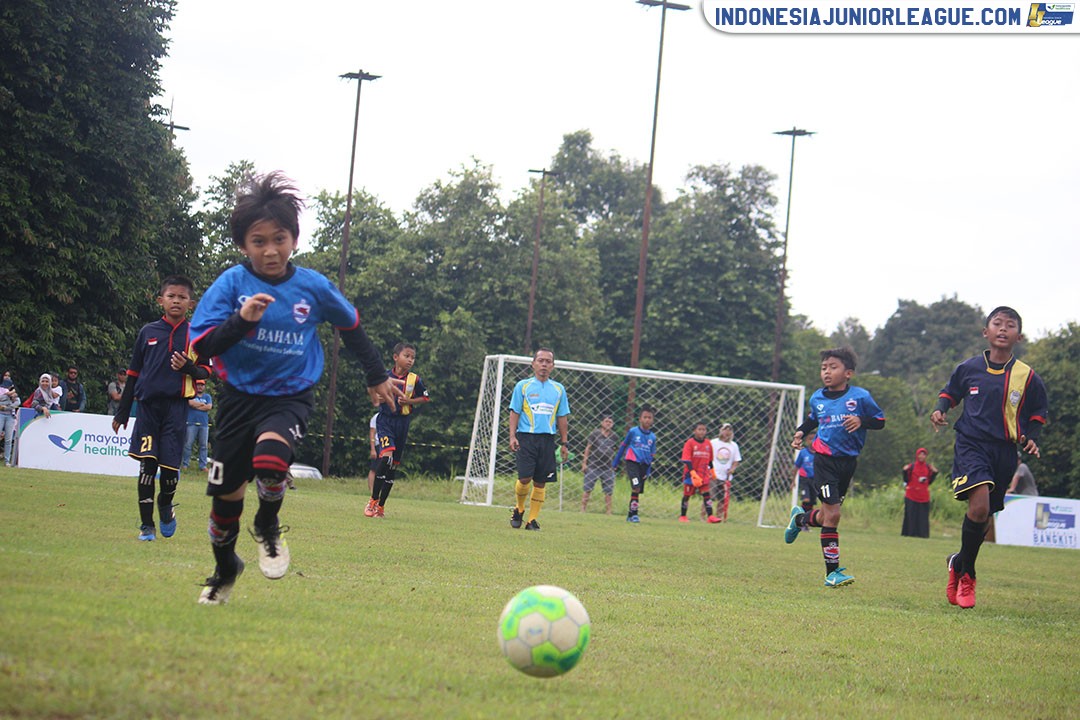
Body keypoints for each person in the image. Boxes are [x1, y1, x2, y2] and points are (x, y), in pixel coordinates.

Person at [189, 172, 400, 605]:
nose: (271, 250)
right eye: (259, 241)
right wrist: (241, 321)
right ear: (244, 246)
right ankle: (226, 566)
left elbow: (352, 325)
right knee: (226, 499)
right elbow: (202, 348)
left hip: (289, 395)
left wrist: (376, 374)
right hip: (238, 399)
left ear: (294, 239)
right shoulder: (231, 284)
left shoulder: (312, 287)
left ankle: (268, 524)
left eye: (279, 238)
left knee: (270, 460)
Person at [931, 306, 1048, 609]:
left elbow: (1037, 413)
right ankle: (968, 575)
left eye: (1010, 325)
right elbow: (950, 392)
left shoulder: (1027, 376)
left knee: (983, 517)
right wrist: (940, 409)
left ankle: (958, 561)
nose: (1002, 329)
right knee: (979, 504)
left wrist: (1032, 437)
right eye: (997, 323)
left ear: (1018, 336)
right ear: (986, 332)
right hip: (971, 444)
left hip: (1005, 451)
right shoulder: (968, 368)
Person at [112, 275, 210, 543]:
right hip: (147, 408)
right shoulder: (148, 332)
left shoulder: (196, 334)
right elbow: (133, 374)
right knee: (147, 465)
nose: (176, 301)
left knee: (169, 472)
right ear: (161, 300)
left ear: (191, 303)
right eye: (171, 296)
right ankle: (146, 526)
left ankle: (165, 506)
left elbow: (207, 371)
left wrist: (188, 368)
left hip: (177, 409)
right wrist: (122, 411)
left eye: (182, 297)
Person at [785, 347, 885, 588]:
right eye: (823, 368)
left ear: (848, 373)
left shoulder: (860, 397)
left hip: (848, 463)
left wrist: (862, 420)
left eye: (833, 367)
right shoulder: (817, 398)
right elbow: (813, 419)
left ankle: (800, 520)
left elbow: (880, 421)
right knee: (835, 515)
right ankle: (832, 573)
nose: (827, 372)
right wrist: (800, 431)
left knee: (826, 516)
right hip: (824, 461)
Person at [364, 342, 431, 518]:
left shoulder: (414, 379)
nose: (410, 360)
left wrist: (410, 402)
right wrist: (381, 397)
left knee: (393, 467)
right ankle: (372, 501)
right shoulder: (384, 376)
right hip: (385, 421)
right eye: (406, 356)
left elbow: (425, 398)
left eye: (413, 357)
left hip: (403, 423)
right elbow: (375, 394)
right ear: (396, 357)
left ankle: (381, 507)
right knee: (386, 458)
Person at [508, 348, 570, 531]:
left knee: (541, 481)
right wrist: (512, 435)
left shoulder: (559, 389)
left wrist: (565, 443)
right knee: (525, 477)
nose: (544, 364)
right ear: (533, 363)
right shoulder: (523, 386)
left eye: (548, 361)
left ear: (553, 365)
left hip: (547, 439)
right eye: (540, 360)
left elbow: (562, 416)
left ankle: (532, 520)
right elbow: (515, 411)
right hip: (526, 438)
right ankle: (519, 508)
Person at [612, 405, 657, 523]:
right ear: (640, 419)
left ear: (652, 420)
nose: (647, 420)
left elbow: (652, 455)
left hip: (644, 465)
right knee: (635, 486)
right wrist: (616, 462)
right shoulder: (633, 432)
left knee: (636, 490)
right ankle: (635, 515)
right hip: (632, 462)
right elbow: (623, 446)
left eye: (649, 417)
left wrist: (648, 471)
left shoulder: (652, 437)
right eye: (645, 417)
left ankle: (630, 515)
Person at [679, 422, 722, 523]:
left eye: (704, 429)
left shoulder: (708, 443)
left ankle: (710, 516)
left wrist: (712, 471)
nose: (702, 431)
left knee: (706, 495)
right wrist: (693, 474)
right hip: (691, 474)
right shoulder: (690, 443)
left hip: (703, 474)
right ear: (694, 431)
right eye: (699, 429)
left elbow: (710, 459)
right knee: (687, 495)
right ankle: (683, 516)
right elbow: (687, 460)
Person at [580, 414, 618, 514]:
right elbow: (588, 448)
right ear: (602, 423)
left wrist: (615, 464)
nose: (608, 424)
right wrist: (584, 463)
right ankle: (583, 509)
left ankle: (609, 511)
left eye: (610, 422)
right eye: (606, 421)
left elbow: (616, 450)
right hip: (593, 465)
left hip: (608, 467)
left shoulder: (614, 436)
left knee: (609, 491)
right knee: (587, 488)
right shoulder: (595, 434)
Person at [900, 448, 938, 538]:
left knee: (922, 517)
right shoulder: (912, 466)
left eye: (924, 454)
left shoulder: (928, 468)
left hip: (923, 496)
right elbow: (906, 479)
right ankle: (910, 533)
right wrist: (904, 471)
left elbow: (930, 481)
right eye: (920, 454)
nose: (922, 456)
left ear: (926, 456)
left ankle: (922, 534)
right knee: (910, 515)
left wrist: (935, 473)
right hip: (911, 494)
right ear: (917, 455)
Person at [708, 422, 741, 521]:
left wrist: (732, 469)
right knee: (709, 497)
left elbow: (736, 460)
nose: (727, 432)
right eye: (725, 430)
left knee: (722, 499)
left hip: (725, 476)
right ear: (721, 431)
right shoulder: (713, 442)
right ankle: (706, 516)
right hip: (713, 474)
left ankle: (719, 517)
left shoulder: (734, 445)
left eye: (729, 430)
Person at [181, 379, 213, 472]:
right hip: (191, 423)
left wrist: (196, 405)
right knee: (188, 444)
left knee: (204, 446)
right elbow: (190, 403)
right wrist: (202, 404)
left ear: (204, 386)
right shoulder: (191, 395)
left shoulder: (207, 396)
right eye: (198, 384)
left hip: (204, 424)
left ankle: (203, 466)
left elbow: (209, 407)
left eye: (202, 385)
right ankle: (185, 464)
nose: (200, 387)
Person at [793, 436, 816, 532]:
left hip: (815, 480)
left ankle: (805, 523)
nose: (812, 441)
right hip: (805, 479)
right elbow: (796, 466)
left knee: (811, 503)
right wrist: (792, 480)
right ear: (806, 441)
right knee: (806, 500)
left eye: (814, 439)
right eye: (810, 439)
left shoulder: (820, 453)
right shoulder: (803, 452)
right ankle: (798, 519)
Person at [1, 374, 20, 466]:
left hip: (10, 416)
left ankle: (7, 460)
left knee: (8, 439)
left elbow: (18, 402)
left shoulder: (13, 392)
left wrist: (7, 407)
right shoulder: (2, 391)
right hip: (0, 415)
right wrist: (7, 395)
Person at [366, 413, 379, 495]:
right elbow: (372, 433)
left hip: (388, 446)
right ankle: (371, 491)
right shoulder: (376, 417)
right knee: (374, 468)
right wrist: (373, 449)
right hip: (378, 445)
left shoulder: (391, 415)